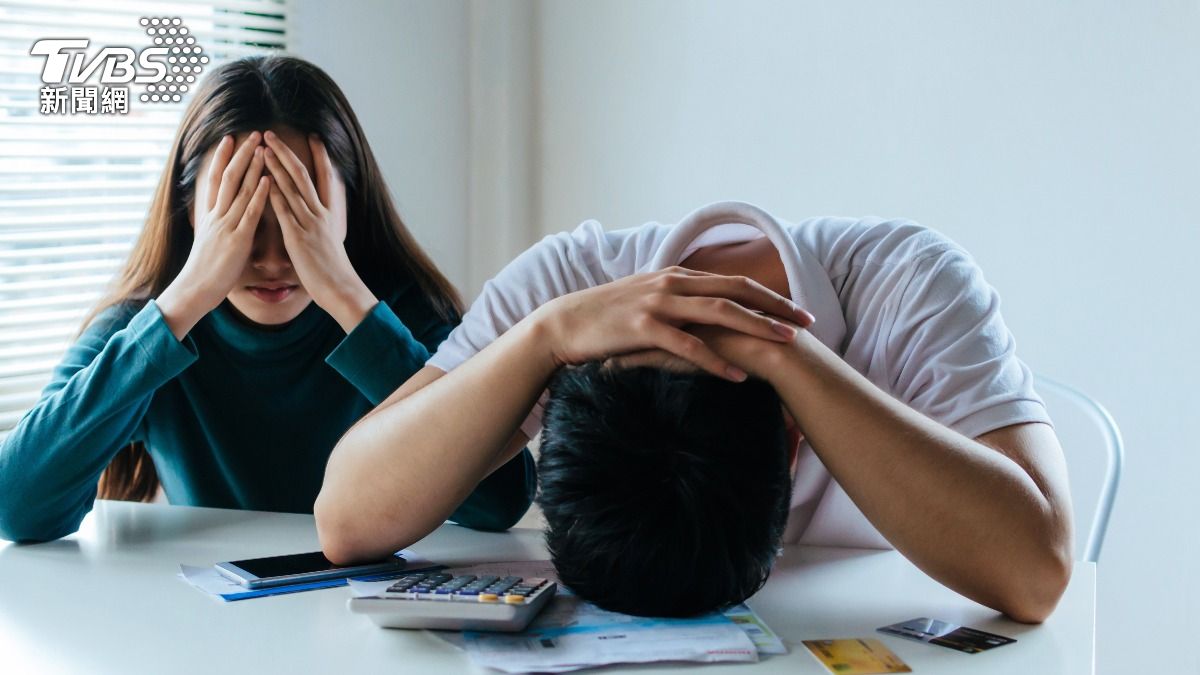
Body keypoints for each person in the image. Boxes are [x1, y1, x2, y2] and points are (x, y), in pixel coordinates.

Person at [316, 201, 1073, 623]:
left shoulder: (911, 286)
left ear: (794, 444)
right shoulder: (561, 292)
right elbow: (347, 518)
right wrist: (544, 337)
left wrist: (787, 352)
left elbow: (1037, 574)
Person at [0, 55, 534, 543]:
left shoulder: (405, 315)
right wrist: (183, 301)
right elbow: (15, 505)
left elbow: (500, 502)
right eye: (240, 214)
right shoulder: (153, 327)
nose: (274, 258)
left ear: (349, 202)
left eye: (301, 211)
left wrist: (351, 303)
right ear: (191, 213)